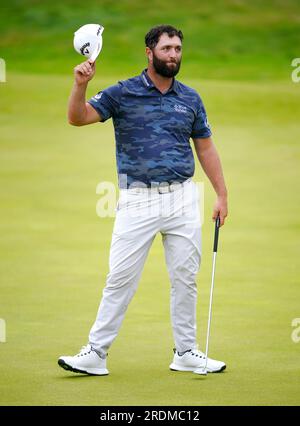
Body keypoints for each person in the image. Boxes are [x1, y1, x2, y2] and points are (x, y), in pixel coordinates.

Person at [58, 25, 228, 376]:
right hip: (138, 199)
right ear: (149, 52)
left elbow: (206, 147)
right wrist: (80, 84)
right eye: (167, 48)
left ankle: (186, 351)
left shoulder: (190, 99)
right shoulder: (123, 93)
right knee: (120, 278)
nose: (174, 55)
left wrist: (221, 193)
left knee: (185, 278)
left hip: (183, 198)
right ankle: (96, 353)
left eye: (178, 48)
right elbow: (77, 118)